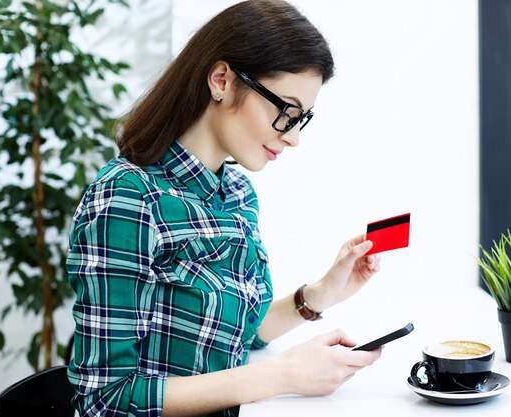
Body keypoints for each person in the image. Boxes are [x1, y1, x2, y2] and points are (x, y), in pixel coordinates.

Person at [66, 1, 382, 416]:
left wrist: (320, 295)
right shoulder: (128, 198)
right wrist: (284, 375)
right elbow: (103, 399)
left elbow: (233, 336)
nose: (292, 138)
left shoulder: (235, 192)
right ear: (221, 80)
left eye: (300, 119)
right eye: (285, 111)